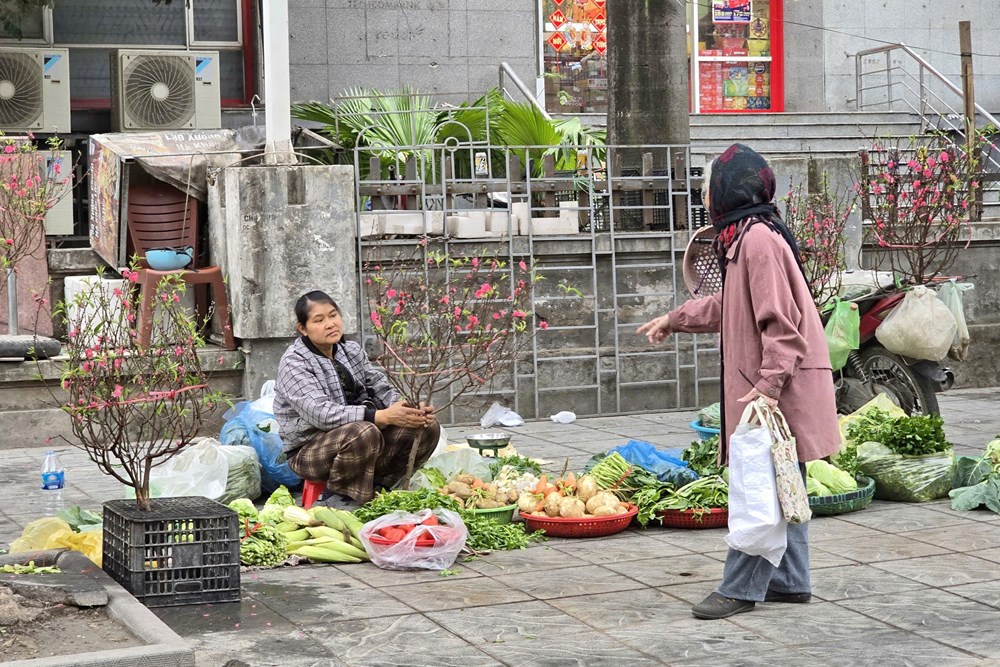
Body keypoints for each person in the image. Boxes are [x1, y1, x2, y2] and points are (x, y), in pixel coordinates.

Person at [637, 144, 840, 620]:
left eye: (708, 187)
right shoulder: (747, 236)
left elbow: (781, 324)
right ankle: (791, 581)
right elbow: (731, 305)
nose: (705, 195)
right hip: (772, 386)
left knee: (760, 486)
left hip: (774, 390)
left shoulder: (757, 242)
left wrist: (769, 386)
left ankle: (739, 588)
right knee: (787, 480)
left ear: (728, 191)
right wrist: (674, 317)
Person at [273, 291, 439, 509]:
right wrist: (381, 416)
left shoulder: (350, 351)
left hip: (363, 441)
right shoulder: (294, 363)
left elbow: (380, 388)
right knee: (363, 431)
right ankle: (337, 500)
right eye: (319, 320)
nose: (330, 324)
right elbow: (322, 414)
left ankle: (382, 490)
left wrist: (409, 410)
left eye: (333, 315)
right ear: (302, 329)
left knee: (426, 428)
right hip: (310, 450)